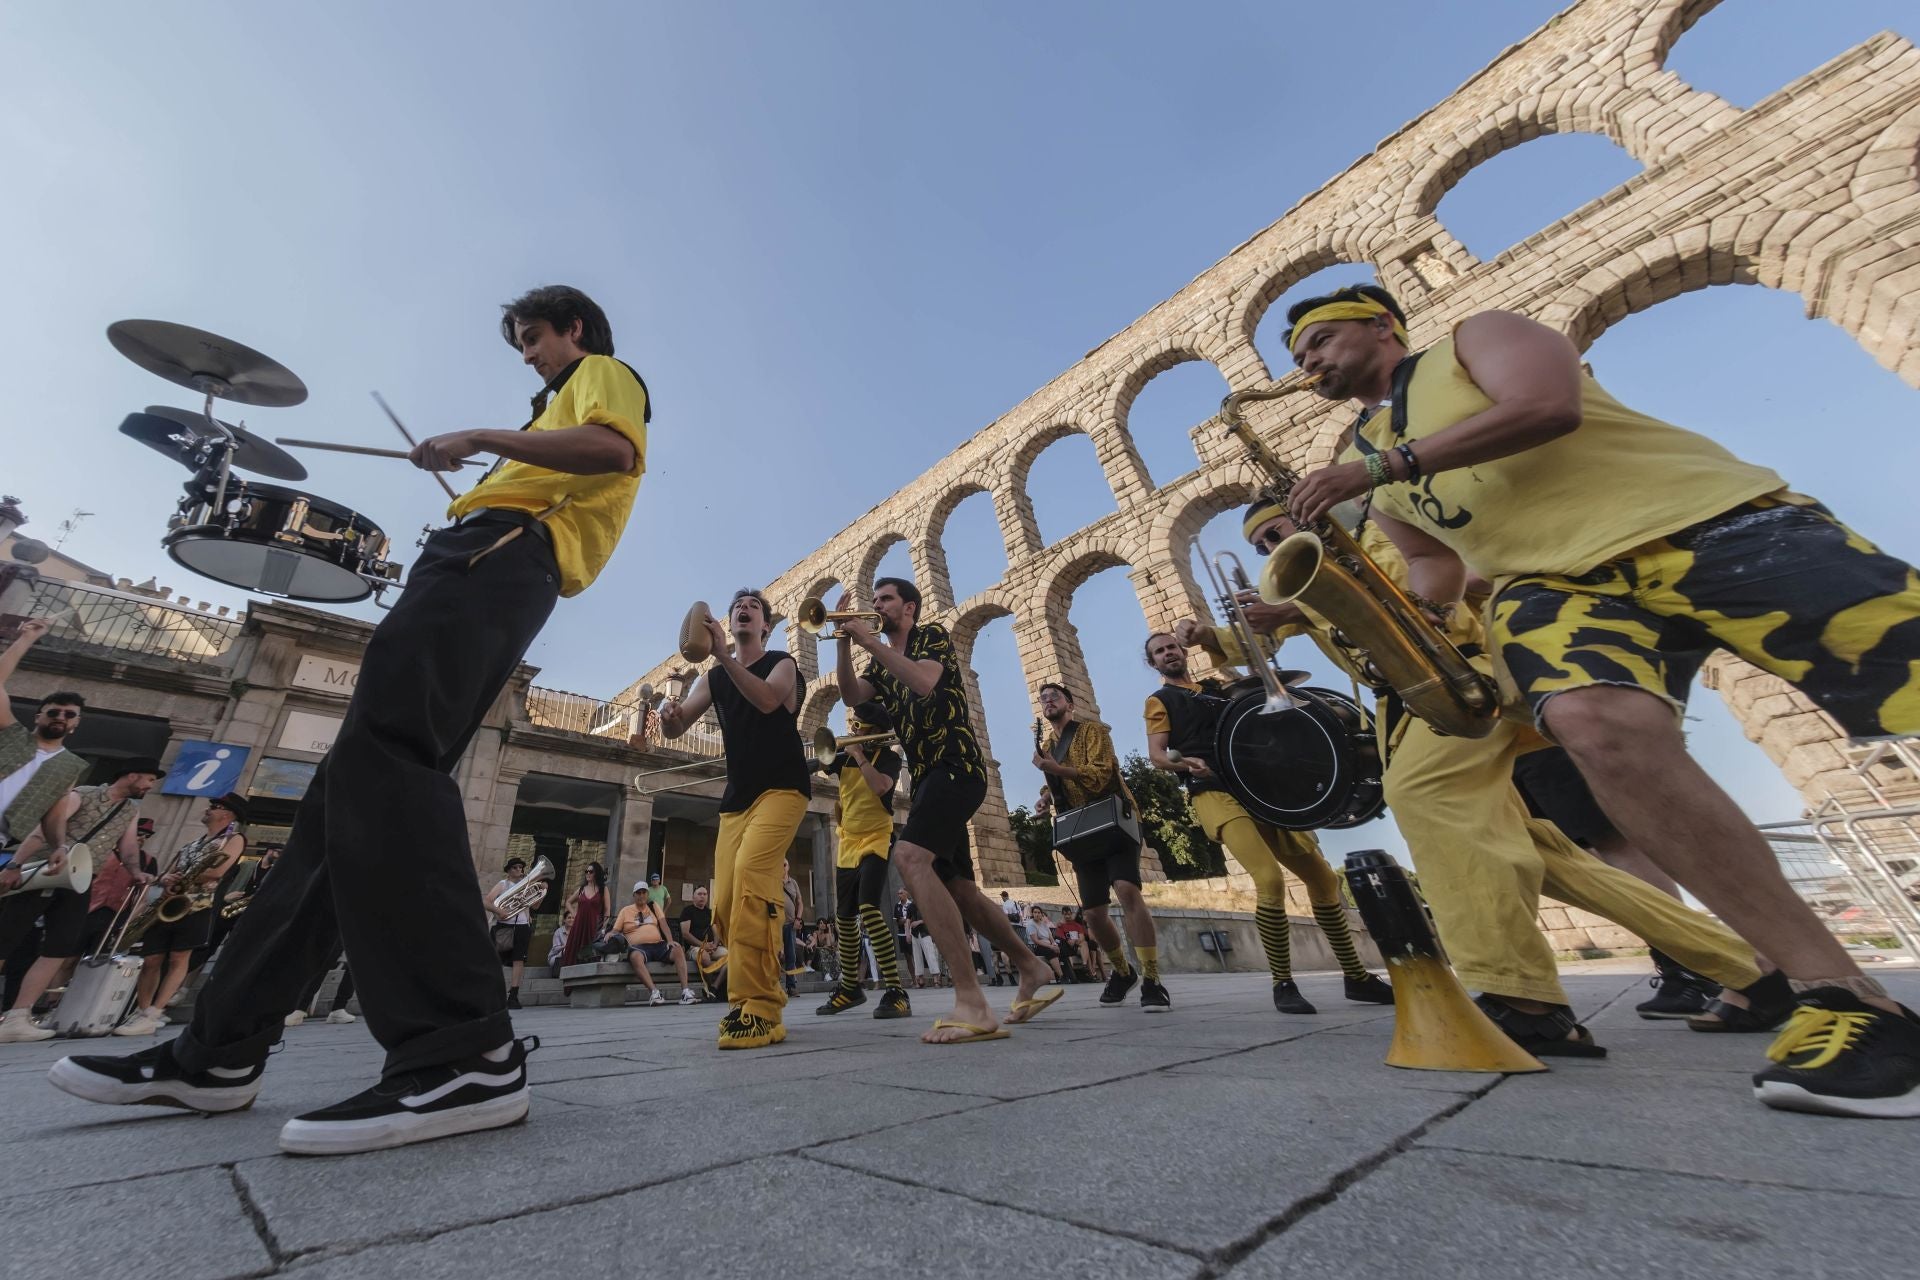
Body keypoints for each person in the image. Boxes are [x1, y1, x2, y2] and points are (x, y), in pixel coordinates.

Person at [1281, 282, 1920, 1116]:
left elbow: (1548, 404)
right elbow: (1435, 564)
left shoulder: (1476, 339)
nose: (1309, 362)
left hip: (1702, 522)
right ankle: (1836, 992)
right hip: (1548, 581)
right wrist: (1382, 617)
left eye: (1321, 340)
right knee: (1594, 726)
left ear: (1381, 326)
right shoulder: (1363, 448)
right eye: (1298, 357)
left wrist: (1382, 468)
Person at [52, 284, 652, 1153]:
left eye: (533, 339)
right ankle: (220, 1050)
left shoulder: (601, 372)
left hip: (500, 555)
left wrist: (479, 438)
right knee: (341, 809)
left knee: (388, 762)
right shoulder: (558, 397)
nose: (528, 355)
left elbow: (612, 449)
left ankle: (464, 1053)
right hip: (480, 554)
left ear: (575, 328)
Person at [1193, 498, 1767, 1054]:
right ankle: (1749, 966)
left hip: (1459, 674)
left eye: (1276, 532)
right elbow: (1261, 640)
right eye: (1262, 545)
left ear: (1308, 515)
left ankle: (1524, 1001)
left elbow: (1414, 592)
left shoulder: (1371, 540)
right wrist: (1216, 638)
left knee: (1425, 794)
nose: (1272, 548)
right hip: (1410, 697)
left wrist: (1296, 609)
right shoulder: (1302, 579)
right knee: (1550, 856)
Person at [834, 577, 1058, 1043]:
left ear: (909, 607)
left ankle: (972, 1002)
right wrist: (842, 641)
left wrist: (869, 640)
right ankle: (1030, 966)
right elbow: (853, 697)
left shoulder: (930, 635)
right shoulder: (881, 663)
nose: (877, 605)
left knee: (910, 857)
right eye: (873, 601)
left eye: (886, 600)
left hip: (955, 764)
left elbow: (924, 680)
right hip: (929, 778)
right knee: (960, 889)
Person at [1144, 633, 1393, 1015]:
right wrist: (1184, 763)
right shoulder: (1160, 701)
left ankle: (1356, 977)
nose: (1168, 653)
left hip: (1261, 786)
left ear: (1183, 651)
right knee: (1269, 879)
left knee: (1325, 880)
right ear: (1154, 664)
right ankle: (1283, 982)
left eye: (1172, 647)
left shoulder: (1219, 689)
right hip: (1212, 790)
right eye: (1160, 652)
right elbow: (1158, 756)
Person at [660, 588, 810, 1048]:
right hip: (737, 797)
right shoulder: (714, 677)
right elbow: (677, 726)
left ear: (765, 625)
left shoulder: (782, 662)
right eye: (737, 607)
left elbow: (768, 701)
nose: (744, 610)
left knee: (751, 877)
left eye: (754, 607)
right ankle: (744, 1005)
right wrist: (667, 714)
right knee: (725, 900)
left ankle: (763, 1006)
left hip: (784, 787)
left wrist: (725, 657)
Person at [1030, 680, 1171, 1010]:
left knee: (1126, 888)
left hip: (1115, 820)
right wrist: (1046, 798)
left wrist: (1056, 768)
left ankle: (1152, 978)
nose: (1048, 701)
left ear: (1070, 704)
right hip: (1081, 830)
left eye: (1055, 696)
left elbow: (1101, 773)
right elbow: (1057, 783)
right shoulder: (1047, 743)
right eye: (1044, 699)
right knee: (1092, 914)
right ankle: (1123, 972)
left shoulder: (1091, 731)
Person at [0, 757, 160, 1042]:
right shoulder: (82, 795)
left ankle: (17, 1016)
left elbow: (128, 845)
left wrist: (135, 871)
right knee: (6, 938)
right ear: (132, 776)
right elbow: (41, 831)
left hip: (80, 879)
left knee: (59, 947)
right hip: (46, 871)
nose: (150, 786)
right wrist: (14, 865)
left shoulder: (129, 811)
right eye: (148, 779)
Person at [112, 795, 248, 1037]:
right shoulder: (192, 844)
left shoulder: (233, 839)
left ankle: (155, 1010)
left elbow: (217, 871)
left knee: (178, 957)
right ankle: (143, 1009)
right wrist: (166, 878)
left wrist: (187, 877)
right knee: (152, 958)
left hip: (196, 906)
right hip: (169, 902)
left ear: (227, 815)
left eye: (213, 808)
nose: (207, 810)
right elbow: (167, 871)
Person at [816, 705, 910, 1019]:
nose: (853, 730)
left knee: (869, 908)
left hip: (876, 838)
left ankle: (895, 990)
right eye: (853, 724)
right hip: (848, 840)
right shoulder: (842, 757)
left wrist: (858, 756)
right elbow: (819, 762)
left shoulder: (890, 759)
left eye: (859, 726)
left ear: (872, 732)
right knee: (844, 917)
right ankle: (849, 987)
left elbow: (882, 786)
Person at [0, 621, 89, 894]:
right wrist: (26, 639)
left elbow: (54, 816)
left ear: (76, 723)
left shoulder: (71, 765)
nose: (61, 717)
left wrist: (59, 846)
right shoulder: (10, 732)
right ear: (39, 716)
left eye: (69, 714)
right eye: (53, 712)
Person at [610, 882, 696, 1005]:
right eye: (638, 893)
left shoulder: (653, 906)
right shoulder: (625, 911)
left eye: (644, 892)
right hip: (638, 948)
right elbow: (615, 930)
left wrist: (670, 940)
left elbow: (663, 924)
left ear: (647, 894)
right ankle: (655, 993)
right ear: (634, 895)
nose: (641, 895)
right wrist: (610, 934)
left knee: (677, 949)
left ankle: (685, 992)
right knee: (635, 957)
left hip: (658, 944)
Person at [485, 856, 538, 1010]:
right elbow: (487, 901)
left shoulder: (526, 886)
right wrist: (499, 910)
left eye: (521, 868)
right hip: (504, 926)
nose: (519, 870)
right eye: (515, 867)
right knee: (497, 960)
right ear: (508, 871)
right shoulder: (503, 884)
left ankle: (513, 995)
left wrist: (543, 890)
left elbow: (535, 906)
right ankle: (492, 992)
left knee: (518, 960)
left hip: (521, 926)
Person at [676, 885, 726, 1000]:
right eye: (699, 894)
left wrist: (715, 944)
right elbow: (685, 933)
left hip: (711, 946)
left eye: (705, 894)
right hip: (694, 948)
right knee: (704, 957)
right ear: (693, 896)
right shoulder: (687, 911)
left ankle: (715, 987)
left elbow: (716, 931)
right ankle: (709, 986)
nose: (702, 896)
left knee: (731, 956)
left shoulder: (710, 912)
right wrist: (702, 945)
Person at [565, 861, 611, 967]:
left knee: (590, 955)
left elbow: (607, 910)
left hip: (593, 926)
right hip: (579, 926)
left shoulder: (603, 889)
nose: (588, 873)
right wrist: (574, 914)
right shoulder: (581, 889)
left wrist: (603, 928)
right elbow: (568, 902)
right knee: (574, 952)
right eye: (586, 871)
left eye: (591, 871)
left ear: (596, 873)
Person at [781, 858, 804, 996]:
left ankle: (791, 986)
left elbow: (800, 902)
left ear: (788, 867)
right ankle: (775, 986)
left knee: (791, 955)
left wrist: (798, 918)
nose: (782, 867)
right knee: (775, 956)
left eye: (784, 864)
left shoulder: (793, 883)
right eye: (779, 865)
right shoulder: (772, 882)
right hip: (775, 925)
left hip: (790, 924)